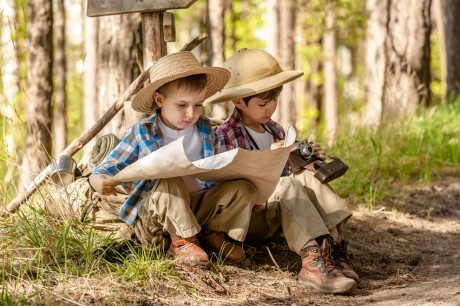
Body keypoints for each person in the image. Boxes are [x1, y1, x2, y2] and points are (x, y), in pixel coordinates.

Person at [205, 48, 358, 294]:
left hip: (280, 212)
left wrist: (303, 160)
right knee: (288, 185)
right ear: (237, 101)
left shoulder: (275, 130)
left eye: (275, 100)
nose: (271, 108)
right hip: (250, 217)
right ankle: (311, 262)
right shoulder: (226, 135)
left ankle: (334, 249)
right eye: (263, 103)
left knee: (306, 176)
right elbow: (230, 185)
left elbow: (290, 179)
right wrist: (271, 157)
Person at [89, 51, 257, 266]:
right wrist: (97, 180)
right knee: (169, 179)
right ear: (159, 100)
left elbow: (217, 167)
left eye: (198, 105)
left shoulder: (205, 129)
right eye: (182, 105)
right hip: (162, 206)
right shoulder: (143, 132)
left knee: (243, 188)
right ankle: (183, 240)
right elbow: (109, 165)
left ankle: (214, 235)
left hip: (199, 202)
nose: (191, 113)